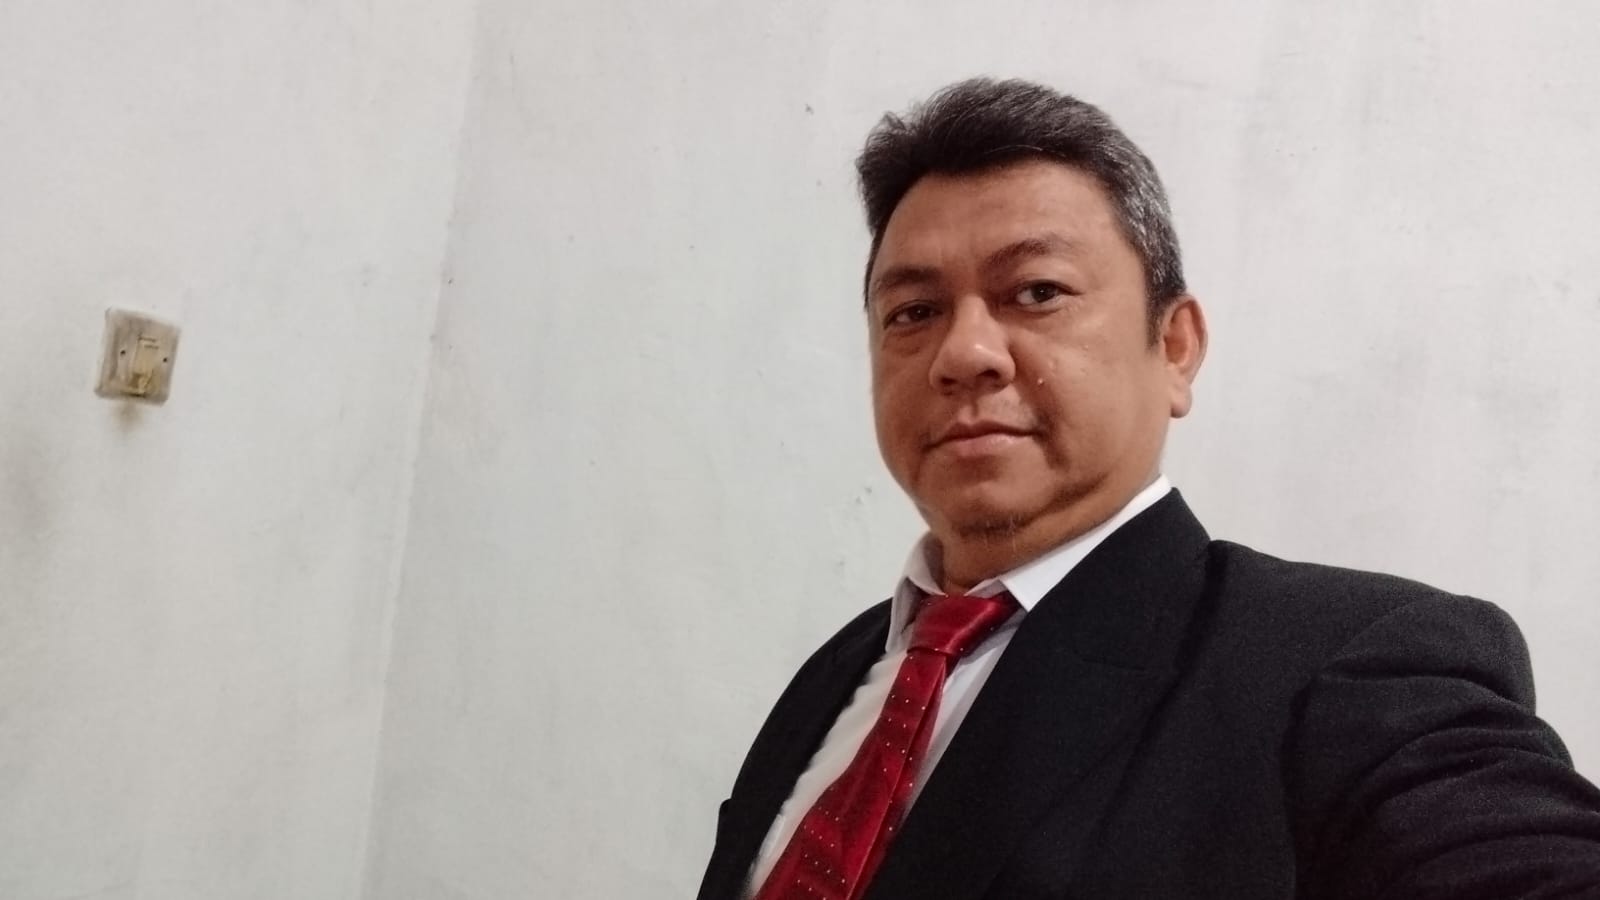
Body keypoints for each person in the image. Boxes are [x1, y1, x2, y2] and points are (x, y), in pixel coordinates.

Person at [695, 78, 1600, 900]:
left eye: (1036, 291)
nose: (964, 353)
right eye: (914, 312)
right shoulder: (842, 674)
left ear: (1174, 347)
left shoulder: (1346, 667)